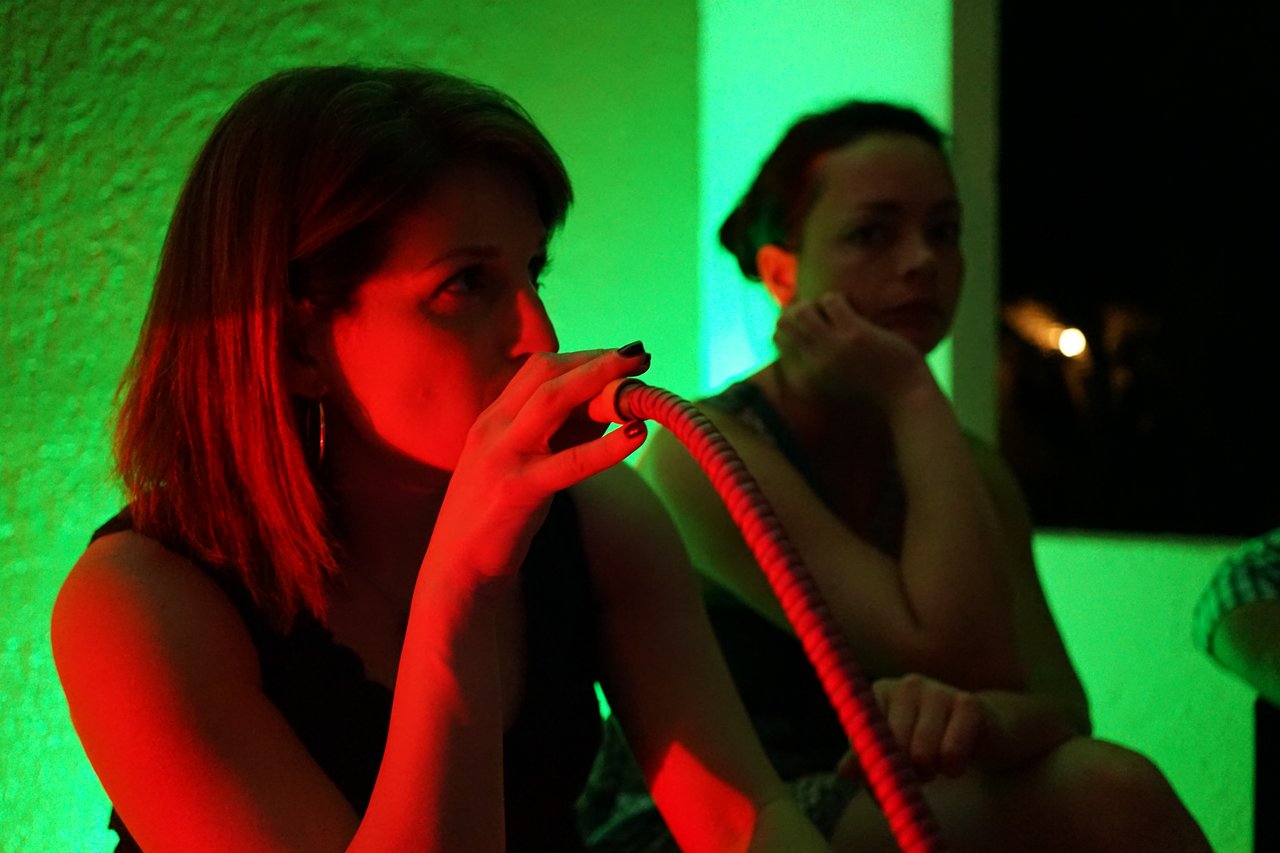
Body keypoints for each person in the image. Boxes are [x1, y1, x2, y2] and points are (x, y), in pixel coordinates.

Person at [49, 65, 833, 852]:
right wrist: (460, 584)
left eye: (533, 271)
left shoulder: (598, 520)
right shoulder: (137, 604)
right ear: (295, 344)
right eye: (464, 284)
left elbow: (740, 819)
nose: (541, 337)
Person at [581, 100, 1211, 851]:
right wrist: (912, 391)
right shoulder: (704, 446)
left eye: (943, 231)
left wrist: (983, 721)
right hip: (724, 814)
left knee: (1109, 780)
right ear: (783, 273)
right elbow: (953, 651)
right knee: (1109, 797)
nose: (921, 262)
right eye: (872, 234)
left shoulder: (962, 462)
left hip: (883, 796)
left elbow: (1058, 705)